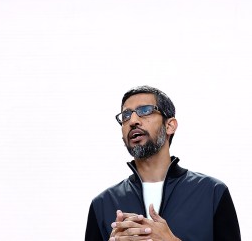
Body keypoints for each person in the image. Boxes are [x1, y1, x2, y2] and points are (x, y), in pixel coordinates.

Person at [85, 85, 241, 241]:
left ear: (170, 125)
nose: (132, 120)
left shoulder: (212, 192)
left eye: (145, 110)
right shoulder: (102, 204)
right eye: (126, 115)